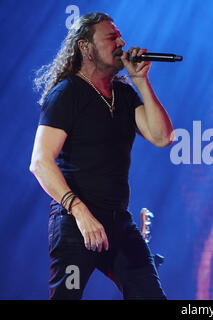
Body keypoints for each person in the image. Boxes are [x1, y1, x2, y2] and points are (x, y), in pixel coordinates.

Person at [30, 12, 174, 299]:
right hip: (75, 224)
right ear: (86, 48)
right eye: (111, 38)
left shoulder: (122, 93)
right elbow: (40, 162)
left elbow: (163, 137)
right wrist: (81, 213)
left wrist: (141, 81)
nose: (121, 42)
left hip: (118, 223)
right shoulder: (68, 93)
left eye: (120, 36)